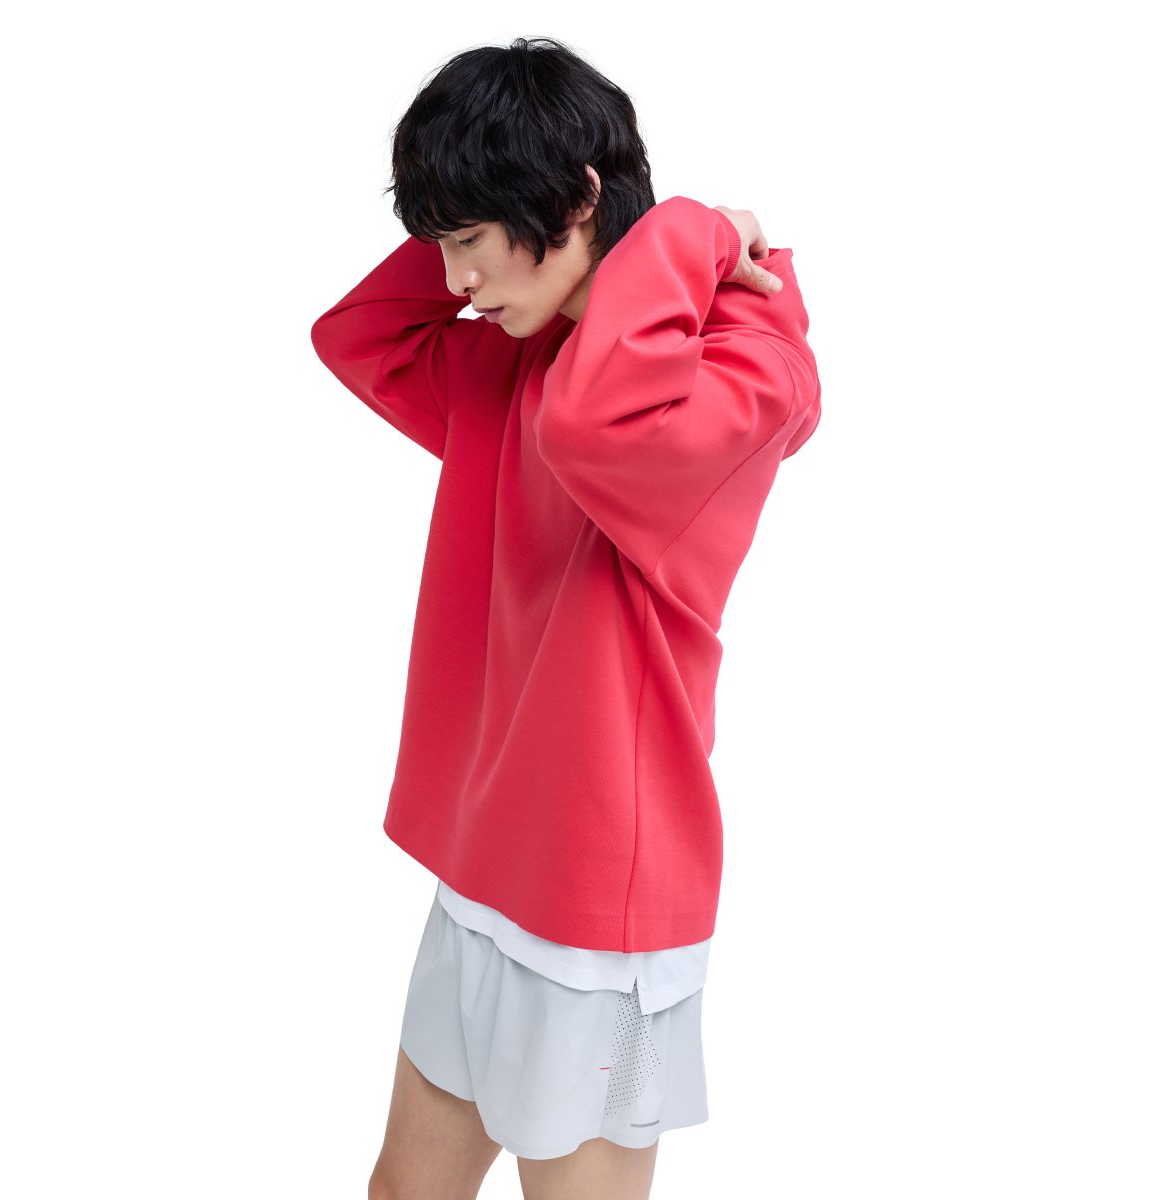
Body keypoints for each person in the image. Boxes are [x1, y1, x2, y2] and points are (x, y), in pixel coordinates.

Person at [310, 35, 822, 1200]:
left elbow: (598, 431)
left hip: (599, 919)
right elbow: (357, 336)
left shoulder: (741, 364)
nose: (456, 282)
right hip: (485, 865)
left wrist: (687, 232)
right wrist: (478, 211)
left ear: (579, 199)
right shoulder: (513, 349)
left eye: (470, 241)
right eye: (441, 244)